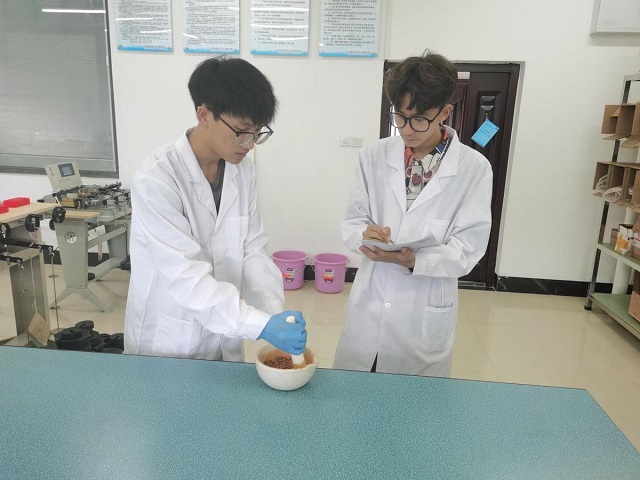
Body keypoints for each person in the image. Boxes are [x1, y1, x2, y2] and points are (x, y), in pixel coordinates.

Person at [124, 56, 306, 361]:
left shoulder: (242, 171)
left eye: (258, 133)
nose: (250, 144)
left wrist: (274, 314)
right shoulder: (157, 178)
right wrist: (259, 325)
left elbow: (252, 249)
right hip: (169, 340)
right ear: (204, 115)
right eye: (242, 131)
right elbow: (185, 275)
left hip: (224, 333)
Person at [333, 51, 492, 377]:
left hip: (424, 309)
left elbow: (468, 248)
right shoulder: (373, 156)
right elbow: (353, 220)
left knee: (415, 402)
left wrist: (414, 260)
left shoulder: (474, 168)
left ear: (444, 112)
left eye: (419, 119)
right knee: (356, 392)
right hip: (372, 299)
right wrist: (364, 234)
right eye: (400, 116)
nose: (407, 129)